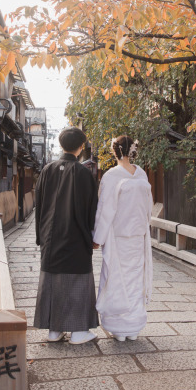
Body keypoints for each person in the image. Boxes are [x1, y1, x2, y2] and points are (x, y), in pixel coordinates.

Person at [33, 127, 100, 344]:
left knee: (52, 280)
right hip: (75, 236)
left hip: (50, 236)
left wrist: (40, 236)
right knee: (77, 280)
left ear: (62, 145)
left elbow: (39, 205)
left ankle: (54, 330)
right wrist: (94, 236)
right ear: (81, 147)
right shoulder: (83, 173)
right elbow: (92, 209)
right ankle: (79, 332)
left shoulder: (47, 170)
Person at [93, 135, 153, 341]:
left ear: (114, 151)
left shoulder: (111, 176)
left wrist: (97, 238)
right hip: (138, 236)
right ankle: (133, 328)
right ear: (132, 150)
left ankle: (119, 329)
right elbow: (148, 207)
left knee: (116, 279)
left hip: (118, 237)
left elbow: (105, 210)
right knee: (135, 280)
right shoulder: (142, 174)